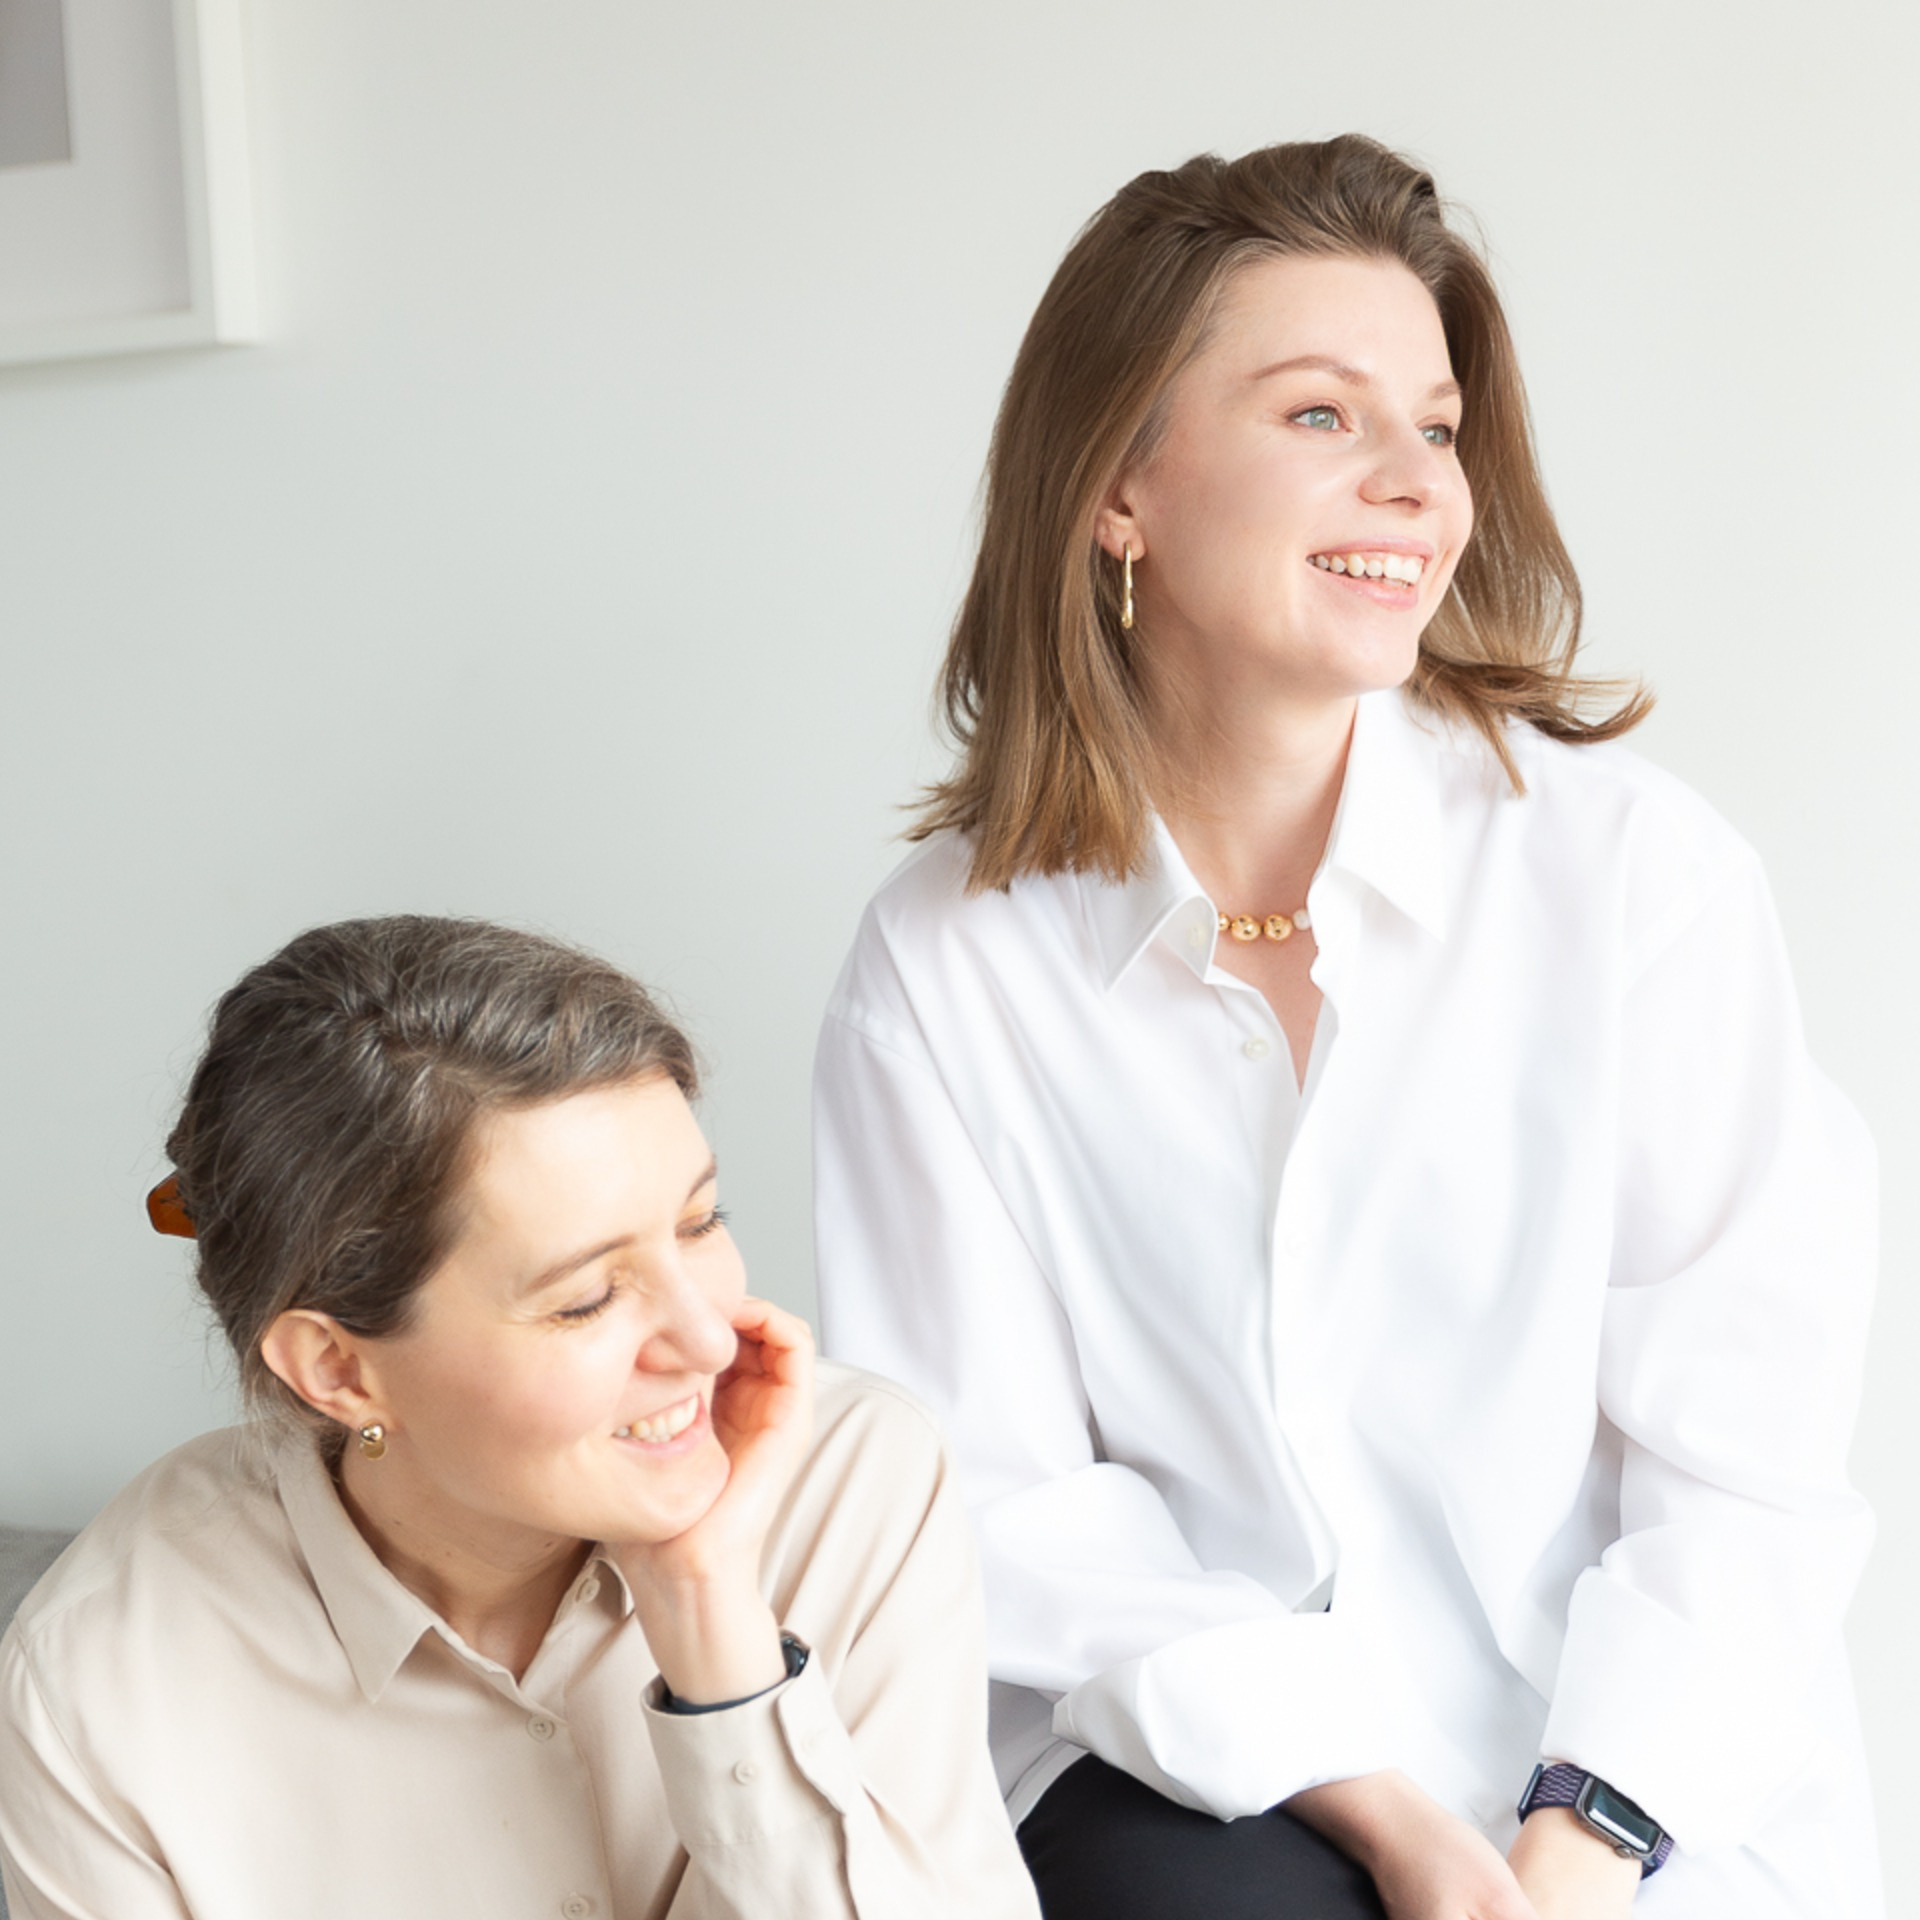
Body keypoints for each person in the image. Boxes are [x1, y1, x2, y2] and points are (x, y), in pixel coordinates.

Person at [812, 134, 1879, 1920]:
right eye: (1322, 414)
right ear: (1118, 488)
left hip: (1637, 1777)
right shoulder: (945, 961)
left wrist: (1578, 1842)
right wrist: (1394, 1824)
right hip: (1212, 1777)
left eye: (1437, 429)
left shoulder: (1638, 881)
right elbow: (1001, 1503)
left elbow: (1741, 1465)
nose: (1414, 486)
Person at [0, 915, 1040, 1920]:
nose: (710, 1342)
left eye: (699, 1222)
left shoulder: (852, 1480)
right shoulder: (102, 1680)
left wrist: (715, 1627)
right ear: (339, 1370)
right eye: (585, 1298)